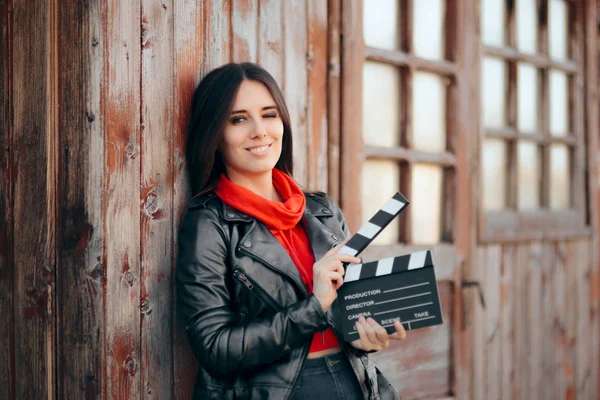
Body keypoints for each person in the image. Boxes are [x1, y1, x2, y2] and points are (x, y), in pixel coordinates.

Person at [176, 62, 406, 400]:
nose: (260, 131)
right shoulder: (209, 223)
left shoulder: (321, 210)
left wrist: (363, 335)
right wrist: (313, 307)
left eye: (269, 115)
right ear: (215, 133)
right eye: (238, 119)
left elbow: (346, 312)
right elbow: (216, 348)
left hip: (354, 382)